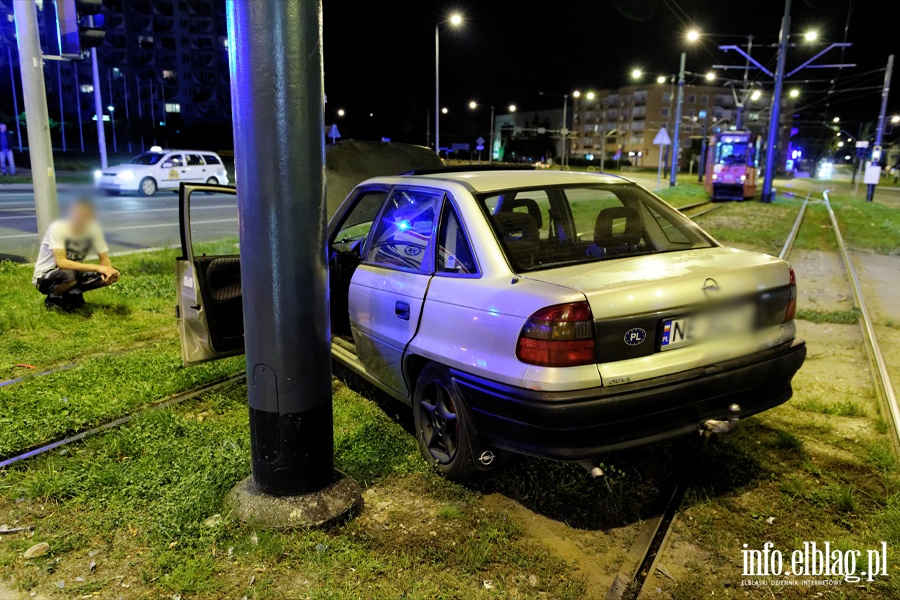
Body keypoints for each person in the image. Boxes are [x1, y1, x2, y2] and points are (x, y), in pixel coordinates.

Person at [32, 199, 120, 311]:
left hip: (73, 273)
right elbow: (61, 262)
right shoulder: (58, 228)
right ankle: (54, 298)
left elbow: (104, 258)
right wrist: (98, 267)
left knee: (114, 274)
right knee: (69, 276)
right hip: (46, 275)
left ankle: (74, 293)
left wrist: (106, 271)